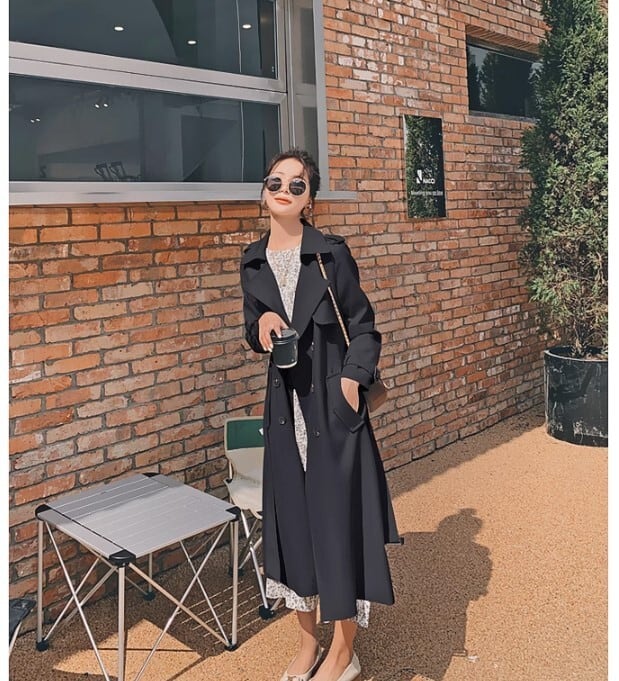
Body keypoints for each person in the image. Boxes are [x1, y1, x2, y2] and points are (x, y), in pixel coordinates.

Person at [240, 149, 400, 681]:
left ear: (310, 199)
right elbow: (251, 328)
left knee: (337, 525)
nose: (284, 190)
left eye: (297, 184)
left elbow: (365, 327)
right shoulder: (252, 261)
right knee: (294, 528)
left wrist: (353, 379)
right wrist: (261, 325)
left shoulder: (330, 254)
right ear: (263, 191)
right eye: (276, 181)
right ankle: (308, 643)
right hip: (284, 415)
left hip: (332, 410)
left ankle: (343, 650)